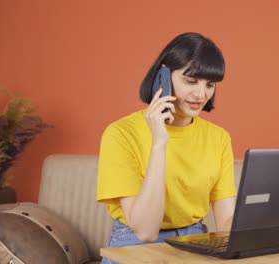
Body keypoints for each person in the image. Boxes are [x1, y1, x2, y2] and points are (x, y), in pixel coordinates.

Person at [97, 32, 237, 263]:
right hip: (135, 245)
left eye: (209, 84)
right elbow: (146, 231)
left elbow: (225, 221)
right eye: (191, 81)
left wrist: (262, 225)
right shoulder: (121, 134)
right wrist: (159, 143)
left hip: (195, 243)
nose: (201, 94)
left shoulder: (218, 138)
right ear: (162, 76)